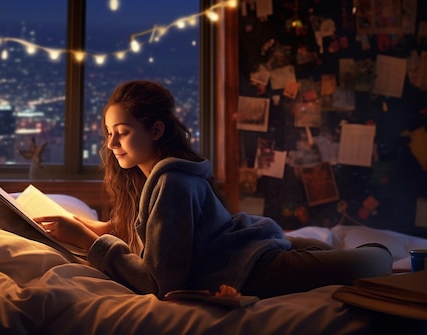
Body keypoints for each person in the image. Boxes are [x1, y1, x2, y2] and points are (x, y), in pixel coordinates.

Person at [34, 80, 393, 299]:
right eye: (108, 133)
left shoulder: (172, 182)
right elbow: (150, 230)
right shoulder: (154, 178)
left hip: (252, 265)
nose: (111, 143)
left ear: (156, 131)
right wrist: (92, 227)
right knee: (321, 247)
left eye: (122, 132)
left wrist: (88, 241)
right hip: (245, 241)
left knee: (376, 260)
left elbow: (159, 282)